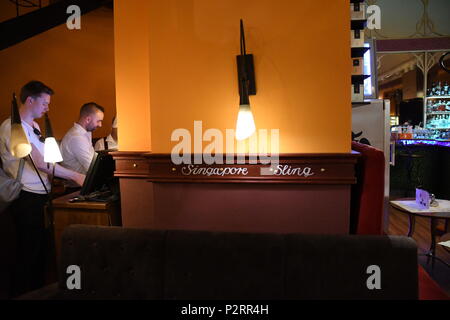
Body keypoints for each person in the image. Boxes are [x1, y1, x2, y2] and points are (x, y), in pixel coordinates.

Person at [0, 80, 85, 297]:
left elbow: (51, 160)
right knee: (28, 254)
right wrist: (75, 175)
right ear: (30, 100)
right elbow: (39, 163)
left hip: (43, 196)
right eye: (45, 103)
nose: (48, 107)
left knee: (42, 254)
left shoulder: (36, 127)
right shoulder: (12, 127)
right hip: (26, 198)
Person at [60, 102, 104, 174]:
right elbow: (92, 168)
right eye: (98, 121)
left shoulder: (82, 134)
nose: (100, 125)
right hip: (78, 184)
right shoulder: (77, 138)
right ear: (88, 119)